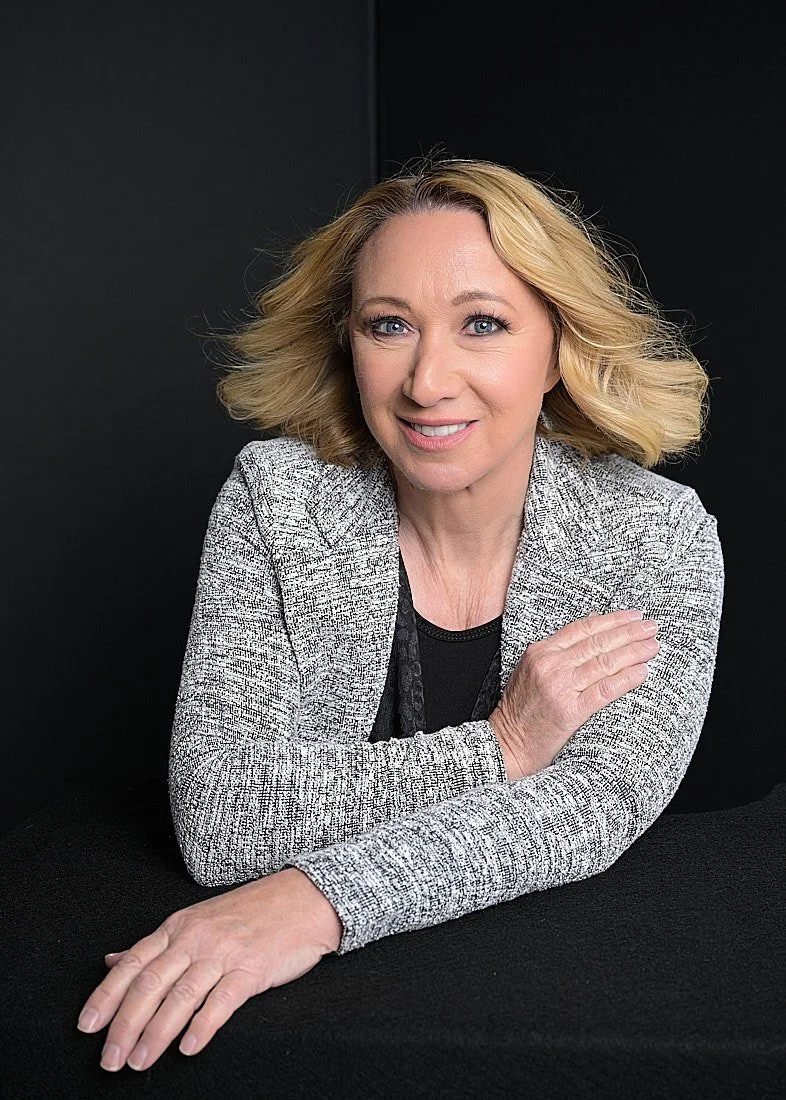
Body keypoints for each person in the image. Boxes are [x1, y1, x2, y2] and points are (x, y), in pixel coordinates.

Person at [76, 156, 724, 1073]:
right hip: (318, 1043)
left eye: (483, 326)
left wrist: (316, 901)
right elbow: (222, 820)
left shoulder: (657, 539)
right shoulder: (278, 504)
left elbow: (595, 805)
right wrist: (501, 748)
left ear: (557, 349)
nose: (427, 380)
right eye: (390, 326)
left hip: (547, 1017)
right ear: (350, 342)